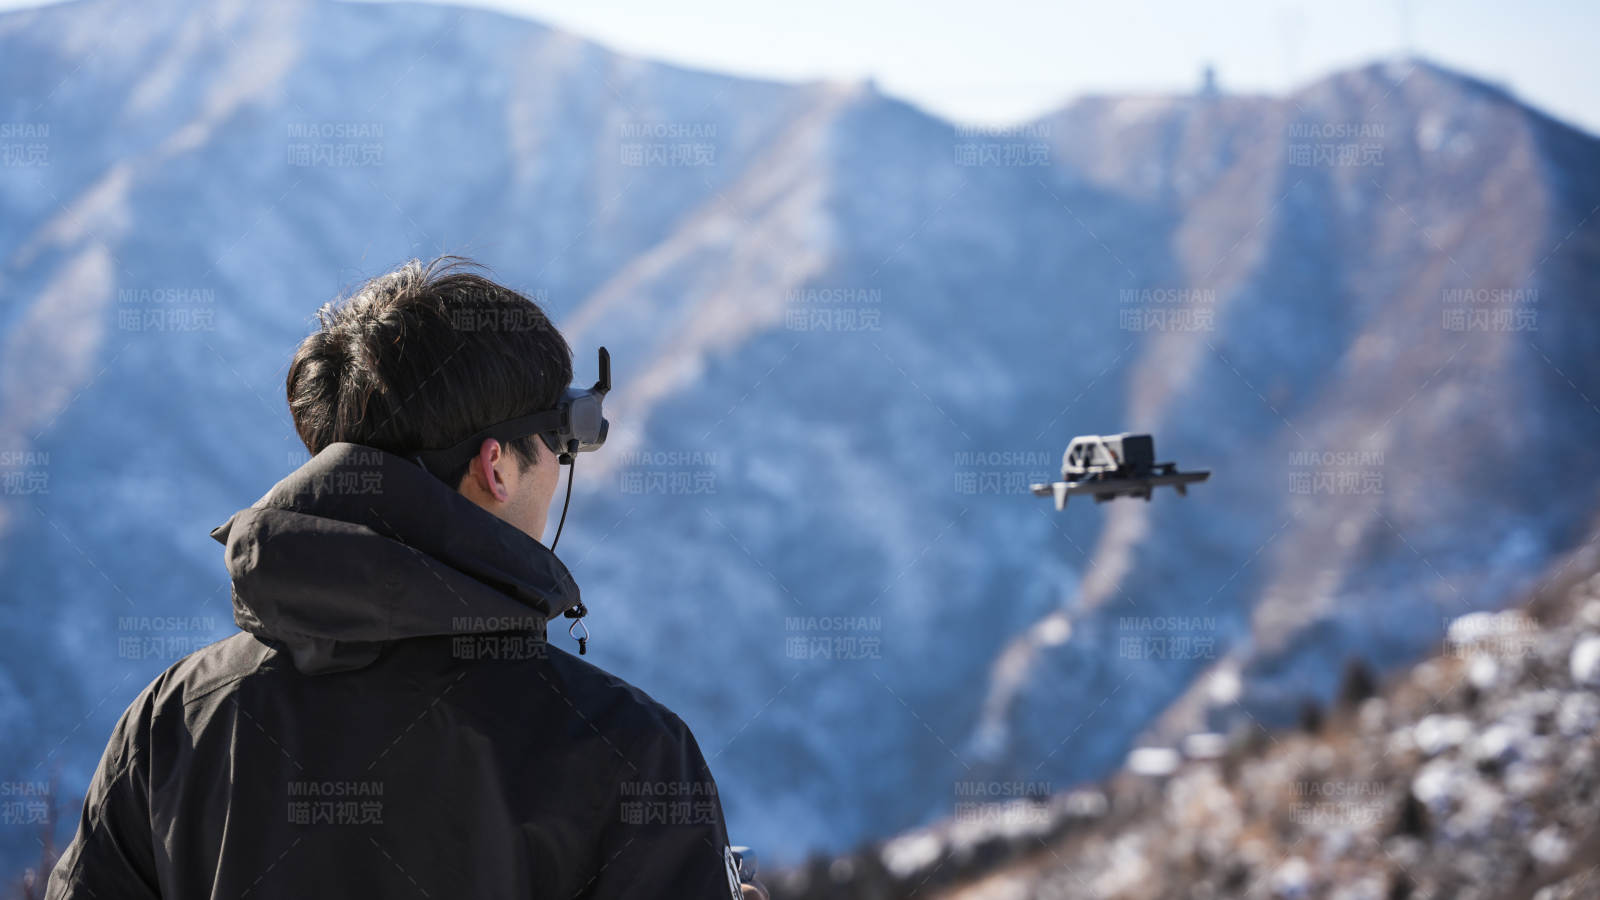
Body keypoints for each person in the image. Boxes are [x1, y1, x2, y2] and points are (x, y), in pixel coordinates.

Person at [47, 257, 763, 899]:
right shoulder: (624, 752)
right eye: (561, 442)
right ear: (497, 466)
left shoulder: (174, 725)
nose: (559, 467)